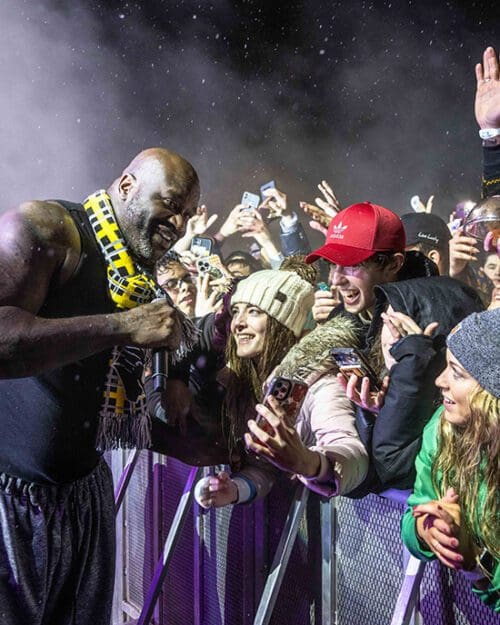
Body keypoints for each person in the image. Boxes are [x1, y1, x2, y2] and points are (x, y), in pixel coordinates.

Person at [0, 147, 200, 625]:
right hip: (10, 499)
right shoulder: (45, 229)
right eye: (171, 204)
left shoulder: (139, 275)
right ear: (128, 185)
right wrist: (121, 326)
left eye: (188, 215)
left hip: (83, 495)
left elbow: (110, 406)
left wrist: (217, 441)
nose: (179, 224)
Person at [194, 264, 368, 507]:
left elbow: (352, 453)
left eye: (254, 311)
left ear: (283, 323)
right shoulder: (241, 381)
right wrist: (234, 489)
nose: (238, 324)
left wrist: (309, 463)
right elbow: (264, 468)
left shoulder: (319, 381)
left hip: (334, 530)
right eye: (235, 311)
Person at [401, 309, 500, 612]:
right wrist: (427, 528)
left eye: (457, 372)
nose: (440, 380)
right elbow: (414, 511)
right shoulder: (442, 428)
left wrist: (477, 563)